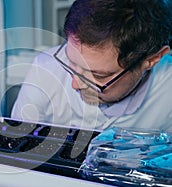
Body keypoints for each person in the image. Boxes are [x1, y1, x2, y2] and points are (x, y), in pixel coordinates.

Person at [11, 0, 172, 131]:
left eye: (98, 75)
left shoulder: (167, 89)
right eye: (71, 63)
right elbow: (20, 147)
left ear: (152, 59)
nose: (75, 84)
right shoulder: (45, 68)